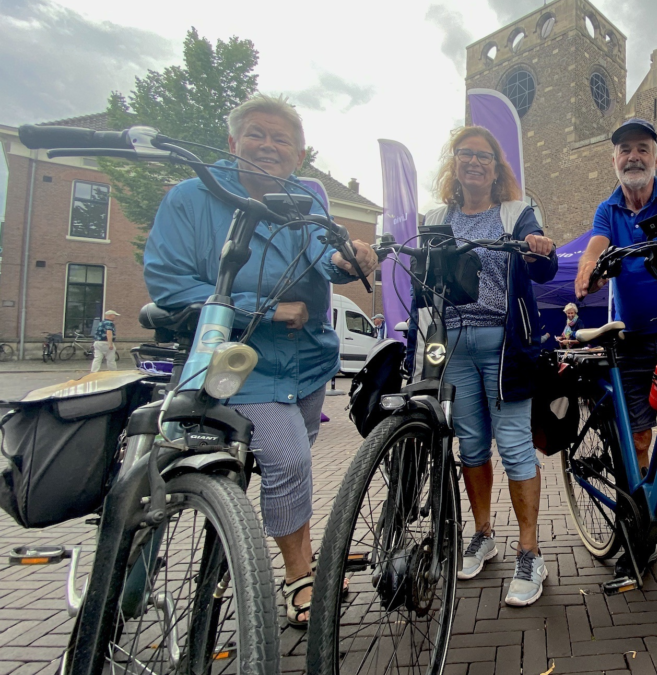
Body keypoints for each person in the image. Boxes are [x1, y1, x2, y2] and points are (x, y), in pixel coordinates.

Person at [143, 94, 378, 627]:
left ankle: (265, 550)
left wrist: (350, 257)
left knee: (286, 467)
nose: (268, 147)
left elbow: (327, 254)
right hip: (235, 364)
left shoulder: (303, 200)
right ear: (233, 143)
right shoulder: (190, 198)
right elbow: (169, 282)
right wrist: (264, 310)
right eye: (257, 134)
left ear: (297, 154)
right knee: (289, 461)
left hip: (307, 364)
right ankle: (298, 577)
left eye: (281, 140)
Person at [418, 126, 557, 606]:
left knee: (515, 443)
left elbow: (543, 267)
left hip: (504, 343)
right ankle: (483, 533)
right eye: (465, 154)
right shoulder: (436, 216)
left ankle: (530, 551)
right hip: (452, 342)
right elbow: (420, 278)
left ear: (497, 169)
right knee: (471, 444)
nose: (474, 162)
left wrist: (540, 244)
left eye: (485, 156)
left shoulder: (516, 213)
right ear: (453, 163)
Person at [574, 118, 657, 576]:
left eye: (642, 148)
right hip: (631, 338)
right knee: (638, 434)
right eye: (625, 149)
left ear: (656, 156)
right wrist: (589, 266)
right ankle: (644, 526)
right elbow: (596, 245)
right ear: (614, 158)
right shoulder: (608, 208)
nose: (633, 156)